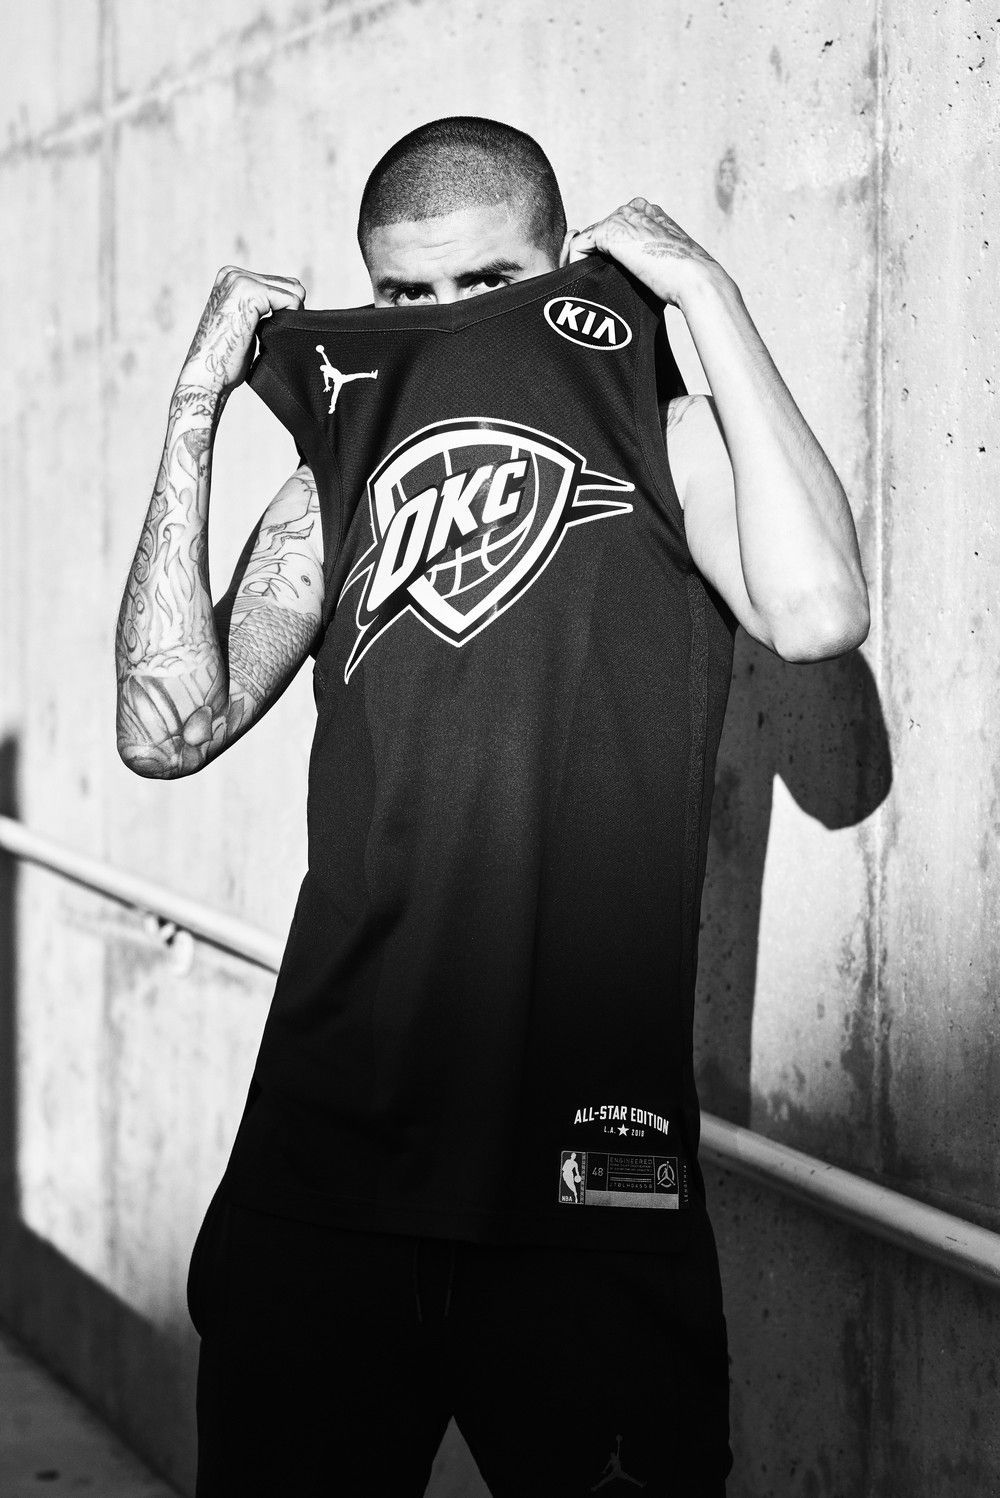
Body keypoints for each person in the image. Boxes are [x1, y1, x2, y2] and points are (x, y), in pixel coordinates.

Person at [115, 117, 869, 1497]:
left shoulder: (667, 436)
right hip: (327, 1164)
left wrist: (704, 293)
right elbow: (167, 728)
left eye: (490, 282)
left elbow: (817, 610)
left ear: (560, 261)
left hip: (591, 1177)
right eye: (407, 294)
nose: (452, 319)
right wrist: (194, 408)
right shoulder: (335, 482)